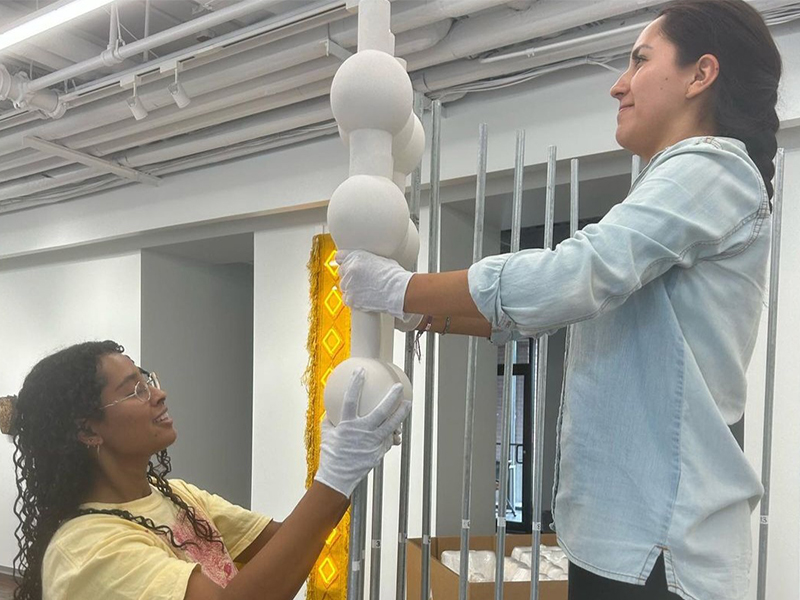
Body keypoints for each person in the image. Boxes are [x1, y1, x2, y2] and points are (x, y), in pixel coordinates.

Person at [335, 1, 781, 599]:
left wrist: (401, 287)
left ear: (701, 75)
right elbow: (578, 313)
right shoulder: (671, 183)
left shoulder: (713, 168)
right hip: (616, 537)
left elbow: (576, 273)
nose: (618, 85)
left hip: (660, 545)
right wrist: (424, 311)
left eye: (639, 61)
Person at [6, 340, 409, 600]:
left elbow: (284, 544)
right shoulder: (87, 550)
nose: (158, 393)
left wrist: (348, 466)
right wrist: (334, 477)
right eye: (134, 390)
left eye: (148, 380)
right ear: (88, 429)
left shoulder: (176, 495)